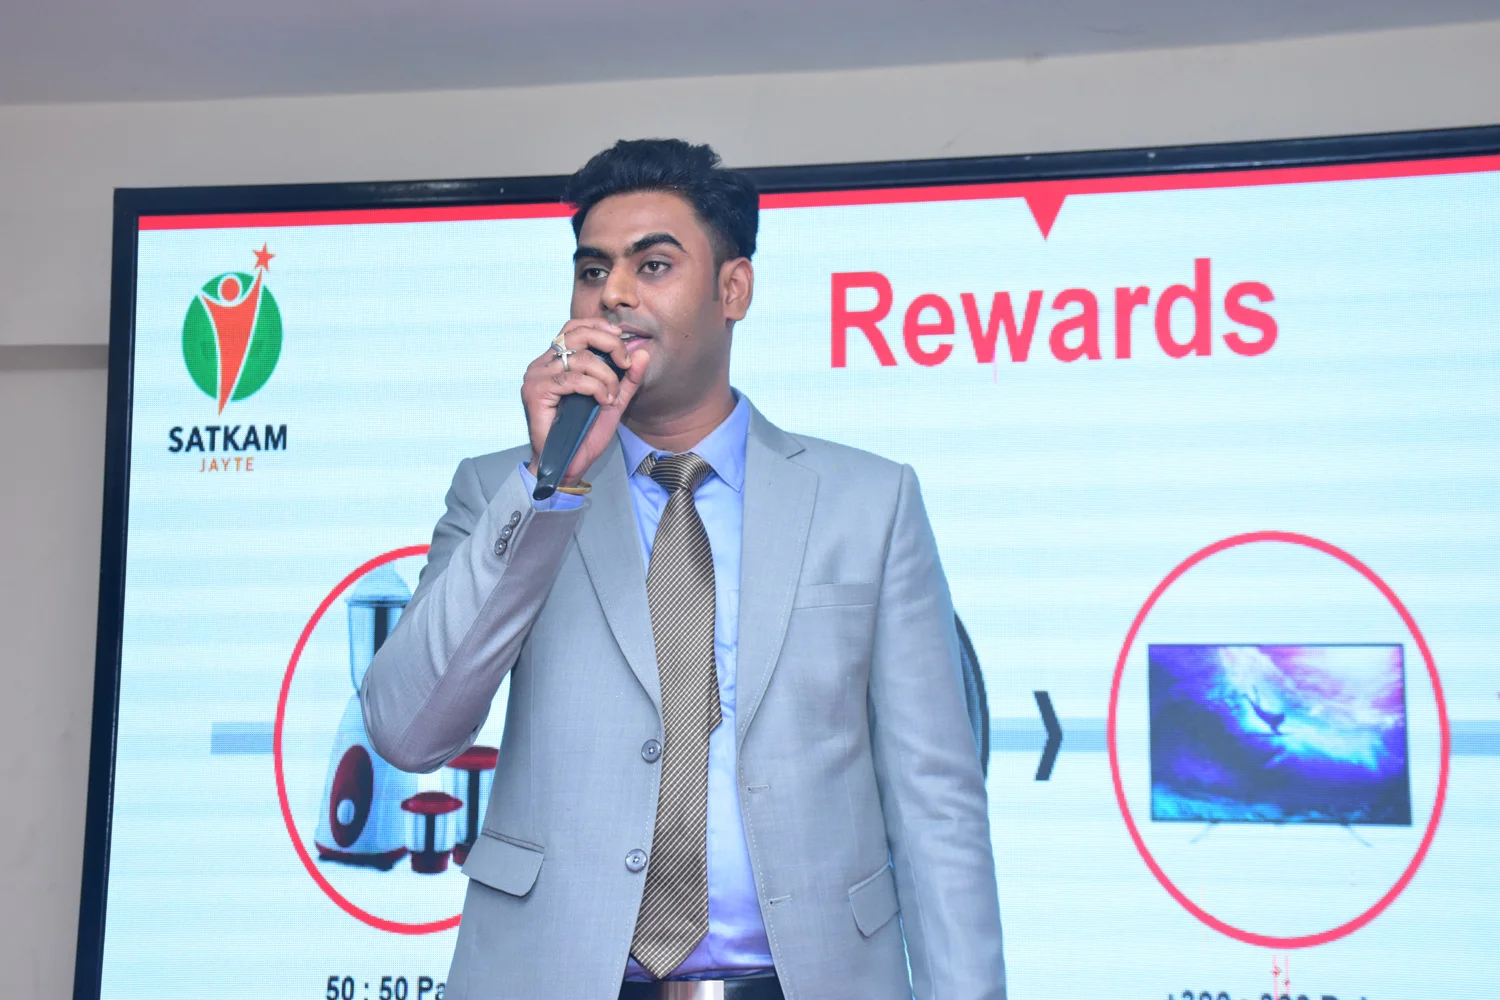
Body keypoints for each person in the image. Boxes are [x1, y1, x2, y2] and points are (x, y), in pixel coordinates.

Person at [360, 138, 1005, 1000]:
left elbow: (937, 807)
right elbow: (408, 732)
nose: (615, 294)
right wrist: (550, 484)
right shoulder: (501, 492)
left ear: (733, 289)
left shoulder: (869, 503)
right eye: (593, 271)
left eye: (653, 265)